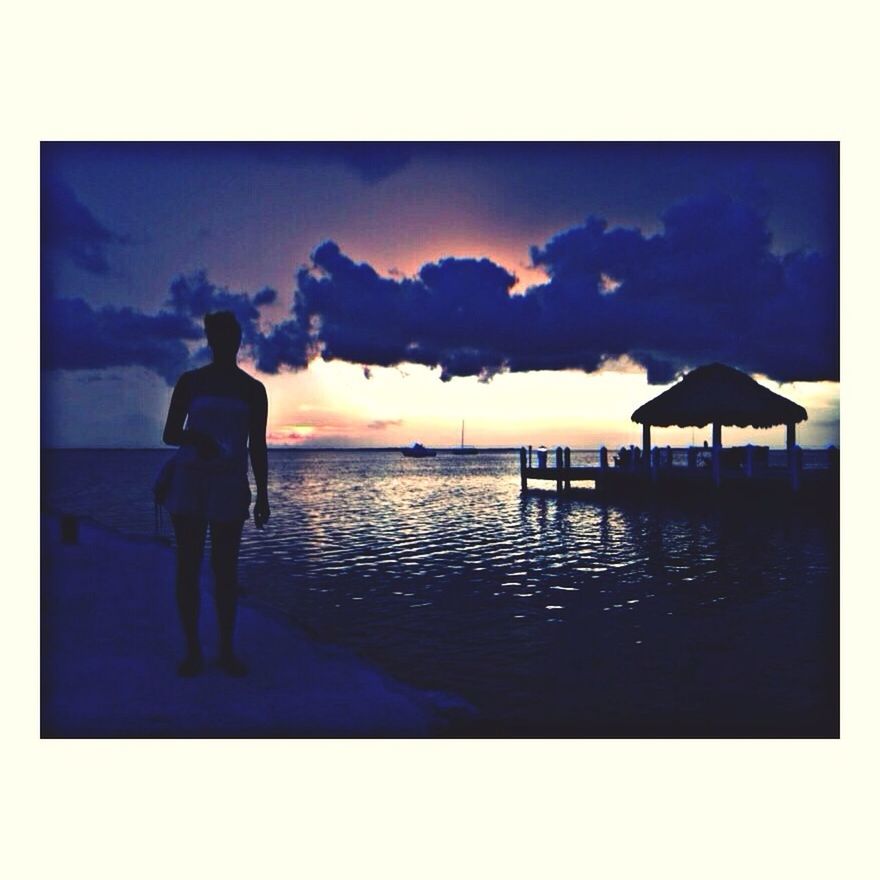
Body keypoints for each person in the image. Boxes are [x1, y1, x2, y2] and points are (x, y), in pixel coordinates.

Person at [161, 311, 270, 676]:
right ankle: (193, 650)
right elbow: (171, 433)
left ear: (239, 341)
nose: (226, 342)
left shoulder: (253, 389)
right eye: (219, 336)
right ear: (211, 340)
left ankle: (225, 650)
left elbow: (258, 445)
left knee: (226, 572)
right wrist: (198, 438)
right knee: (188, 569)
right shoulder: (190, 382)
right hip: (189, 480)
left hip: (229, 483)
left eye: (231, 336)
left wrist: (263, 494)